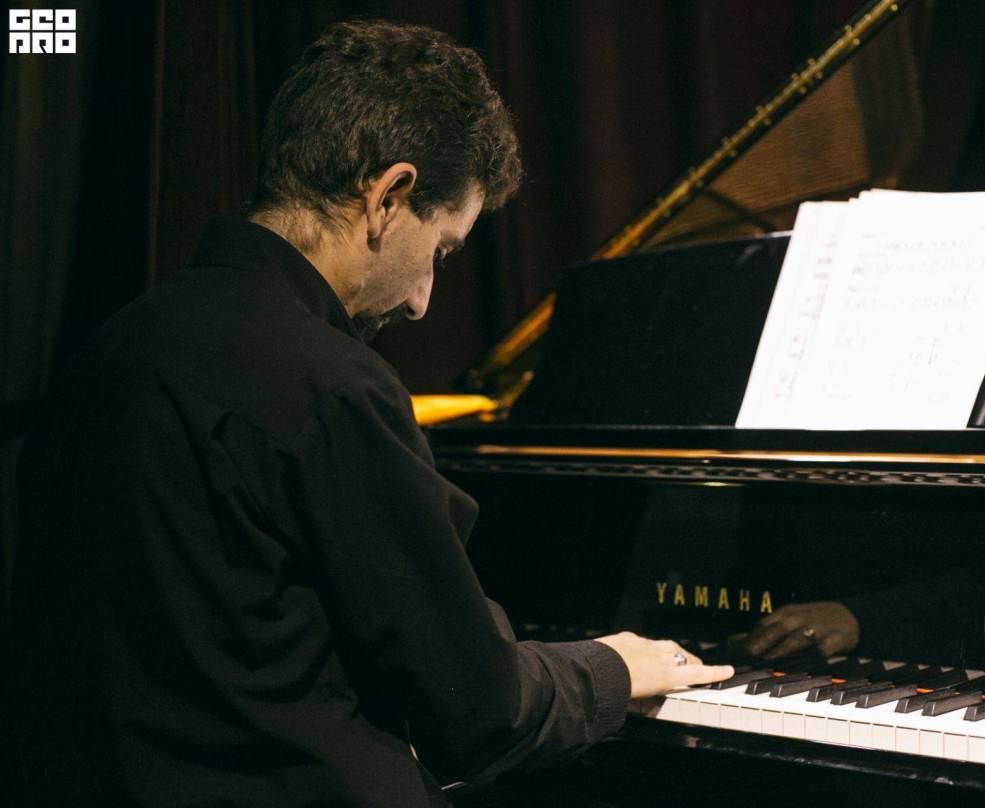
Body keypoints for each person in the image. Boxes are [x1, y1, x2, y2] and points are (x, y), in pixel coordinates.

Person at [5, 20, 731, 807]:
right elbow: (481, 709)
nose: (422, 302)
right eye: (441, 250)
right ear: (388, 197)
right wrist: (613, 667)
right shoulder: (331, 385)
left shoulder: (110, 349)